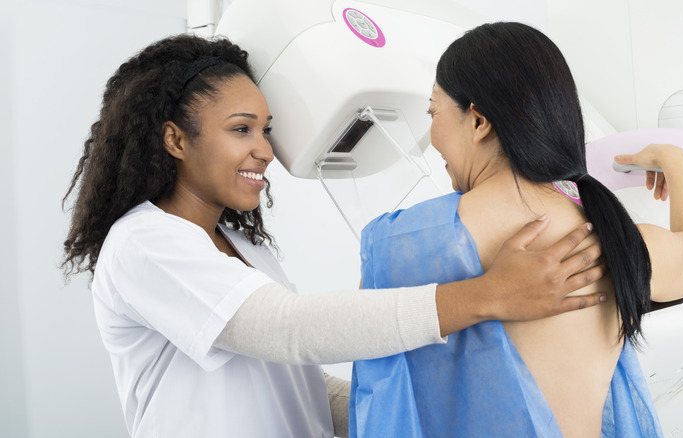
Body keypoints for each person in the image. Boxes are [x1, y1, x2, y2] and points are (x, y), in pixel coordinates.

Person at [60, 33, 608, 437]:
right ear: (176, 139)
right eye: (241, 129)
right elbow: (287, 330)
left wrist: (422, 409)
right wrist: (489, 296)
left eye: (266, 130)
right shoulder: (144, 244)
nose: (266, 149)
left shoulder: (244, 248)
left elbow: (298, 386)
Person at [349, 22, 683, 438]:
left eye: (434, 112)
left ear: (479, 121)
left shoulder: (401, 246)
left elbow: (371, 366)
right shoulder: (614, 237)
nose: (431, 134)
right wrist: (675, 160)